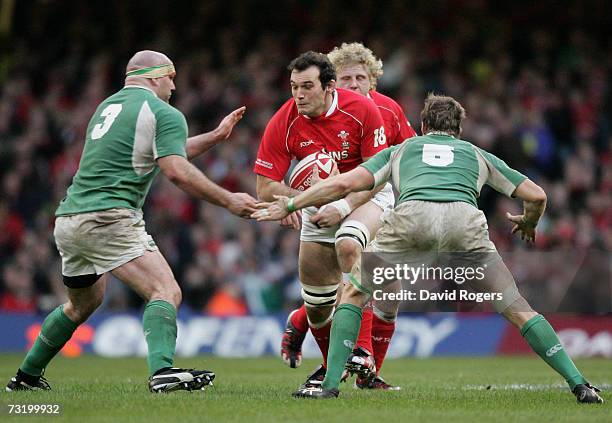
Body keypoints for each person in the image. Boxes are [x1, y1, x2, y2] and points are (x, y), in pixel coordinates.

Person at [253, 94, 604, 404]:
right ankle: (580, 384)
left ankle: (330, 386)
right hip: (464, 223)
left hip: (412, 220)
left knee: (353, 293)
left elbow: (344, 183)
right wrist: (529, 222)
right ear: (459, 130)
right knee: (517, 308)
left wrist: (290, 205)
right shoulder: (477, 154)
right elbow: (538, 195)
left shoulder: (401, 150)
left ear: (421, 126)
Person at [6, 50, 258, 394]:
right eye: (171, 77)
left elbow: (164, 150)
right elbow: (174, 169)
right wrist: (228, 200)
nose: (173, 86)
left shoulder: (108, 107)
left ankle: (26, 377)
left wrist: (213, 137)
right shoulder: (163, 111)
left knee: (82, 304)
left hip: (69, 218)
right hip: (109, 217)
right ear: (155, 77)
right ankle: (163, 372)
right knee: (165, 290)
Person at [282, 42, 417, 391]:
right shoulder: (313, 115)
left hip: (377, 195)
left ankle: (362, 370)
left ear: (373, 80)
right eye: (346, 78)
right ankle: (358, 354)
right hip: (333, 199)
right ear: (332, 84)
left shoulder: (388, 110)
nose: (354, 84)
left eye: (361, 77)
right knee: (351, 263)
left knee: (390, 290)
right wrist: (294, 200)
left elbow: (411, 155)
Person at [253, 51, 389, 392]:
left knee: (349, 243)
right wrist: (291, 201)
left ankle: (363, 354)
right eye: (294, 87)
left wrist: (343, 206)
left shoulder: (363, 110)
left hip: (367, 195)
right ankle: (332, 364)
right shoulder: (285, 119)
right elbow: (264, 185)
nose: (298, 95)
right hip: (315, 202)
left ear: (329, 87)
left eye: (307, 87)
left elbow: (376, 176)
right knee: (317, 305)